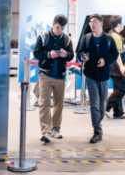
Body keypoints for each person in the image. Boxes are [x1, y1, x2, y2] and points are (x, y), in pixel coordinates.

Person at [76, 14, 119, 144]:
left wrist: (106, 60)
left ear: (101, 23)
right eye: (90, 22)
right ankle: (97, 131)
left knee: (102, 106)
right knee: (94, 104)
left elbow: (115, 54)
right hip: (90, 75)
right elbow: (79, 52)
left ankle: (97, 123)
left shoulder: (109, 39)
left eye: (94, 21)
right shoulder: (87, 38)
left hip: (104, 76)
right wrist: (82, 56)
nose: (92, 24)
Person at [33, 14, 74, 144]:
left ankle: (56, 128)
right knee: (44, 103)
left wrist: (65, 54)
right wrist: (48, 54)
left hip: (60, 76)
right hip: (45, 75)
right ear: (53, 24)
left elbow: (71, 55)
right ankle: (46, 131)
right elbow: (36, 53)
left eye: (62, 28)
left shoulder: (67, 39)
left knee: (58, 103)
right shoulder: (43, 37)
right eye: (57, 27)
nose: (59, 30)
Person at [106, 15, 125, 120]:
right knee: (122, 89)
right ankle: (106, 106)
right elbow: (116, 54)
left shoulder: (114, 34)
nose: (123, 24)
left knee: (117, 89)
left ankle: (118, 112)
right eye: (123, 23)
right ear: (118, 24)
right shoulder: (115, 36)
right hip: (117, 67)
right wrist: (121, 67)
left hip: (114, 67)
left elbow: (118, 49)